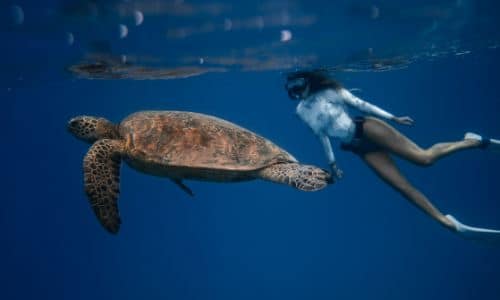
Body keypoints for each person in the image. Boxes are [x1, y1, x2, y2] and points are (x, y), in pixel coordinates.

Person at [285, 69, 500, 241]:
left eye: (298, 86)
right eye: (291, 90)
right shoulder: (301, 112)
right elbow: (321, 136)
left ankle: (472, 141)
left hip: (368, 129)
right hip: (358, 147)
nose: (296, 92)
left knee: (424, 159)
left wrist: (394, 118)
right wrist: (332, 164)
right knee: (401, 187)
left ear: (308, 81)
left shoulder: (330, 91)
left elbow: (362, 105)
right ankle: (447, 223)